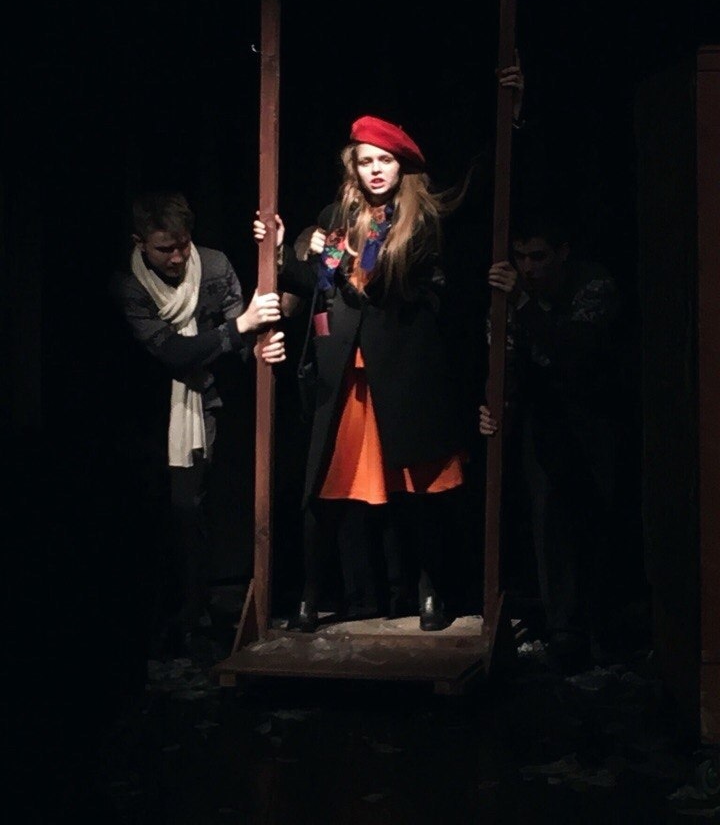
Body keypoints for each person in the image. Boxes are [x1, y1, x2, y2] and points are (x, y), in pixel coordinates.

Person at [254, 115, 477, 633]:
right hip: (347, 370)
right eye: (366, 161)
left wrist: (356, 257)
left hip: (402, 371)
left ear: (402, 167)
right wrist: (283, 250)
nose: (375, 170)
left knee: (418, 488)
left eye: (385, 160)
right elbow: (323, 283)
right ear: (352, 167)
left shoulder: (419, 218)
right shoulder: (339, 215)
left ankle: (429, 591)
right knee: (328, 486)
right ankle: (309, 596)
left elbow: (386, 283)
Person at [110, 190, 286, 658]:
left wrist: (259, 346)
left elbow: (243, 334)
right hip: (149, 414)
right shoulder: (129, 284)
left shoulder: (213, 265)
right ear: (140, 243)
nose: (176, 257)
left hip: (201, 407)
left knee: (192, 508)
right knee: (158, 514)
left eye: (183, 244)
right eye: (164, 248)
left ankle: (195, 613)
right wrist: (238, 330)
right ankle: (161, 618)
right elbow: (174, 353)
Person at [480, 206, 622, 672]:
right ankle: (564, 629)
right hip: (545, 419)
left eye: (538, 256)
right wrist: (495, 406)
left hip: (596, 415)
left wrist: (522, 304)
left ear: (562, 253)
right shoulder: (514, 299)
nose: (528, 267)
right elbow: (504, 360)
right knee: (549, 519)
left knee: (598, 517)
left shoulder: (590, 284)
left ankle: (605, 627)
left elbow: (575, 350)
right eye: (520, 257)